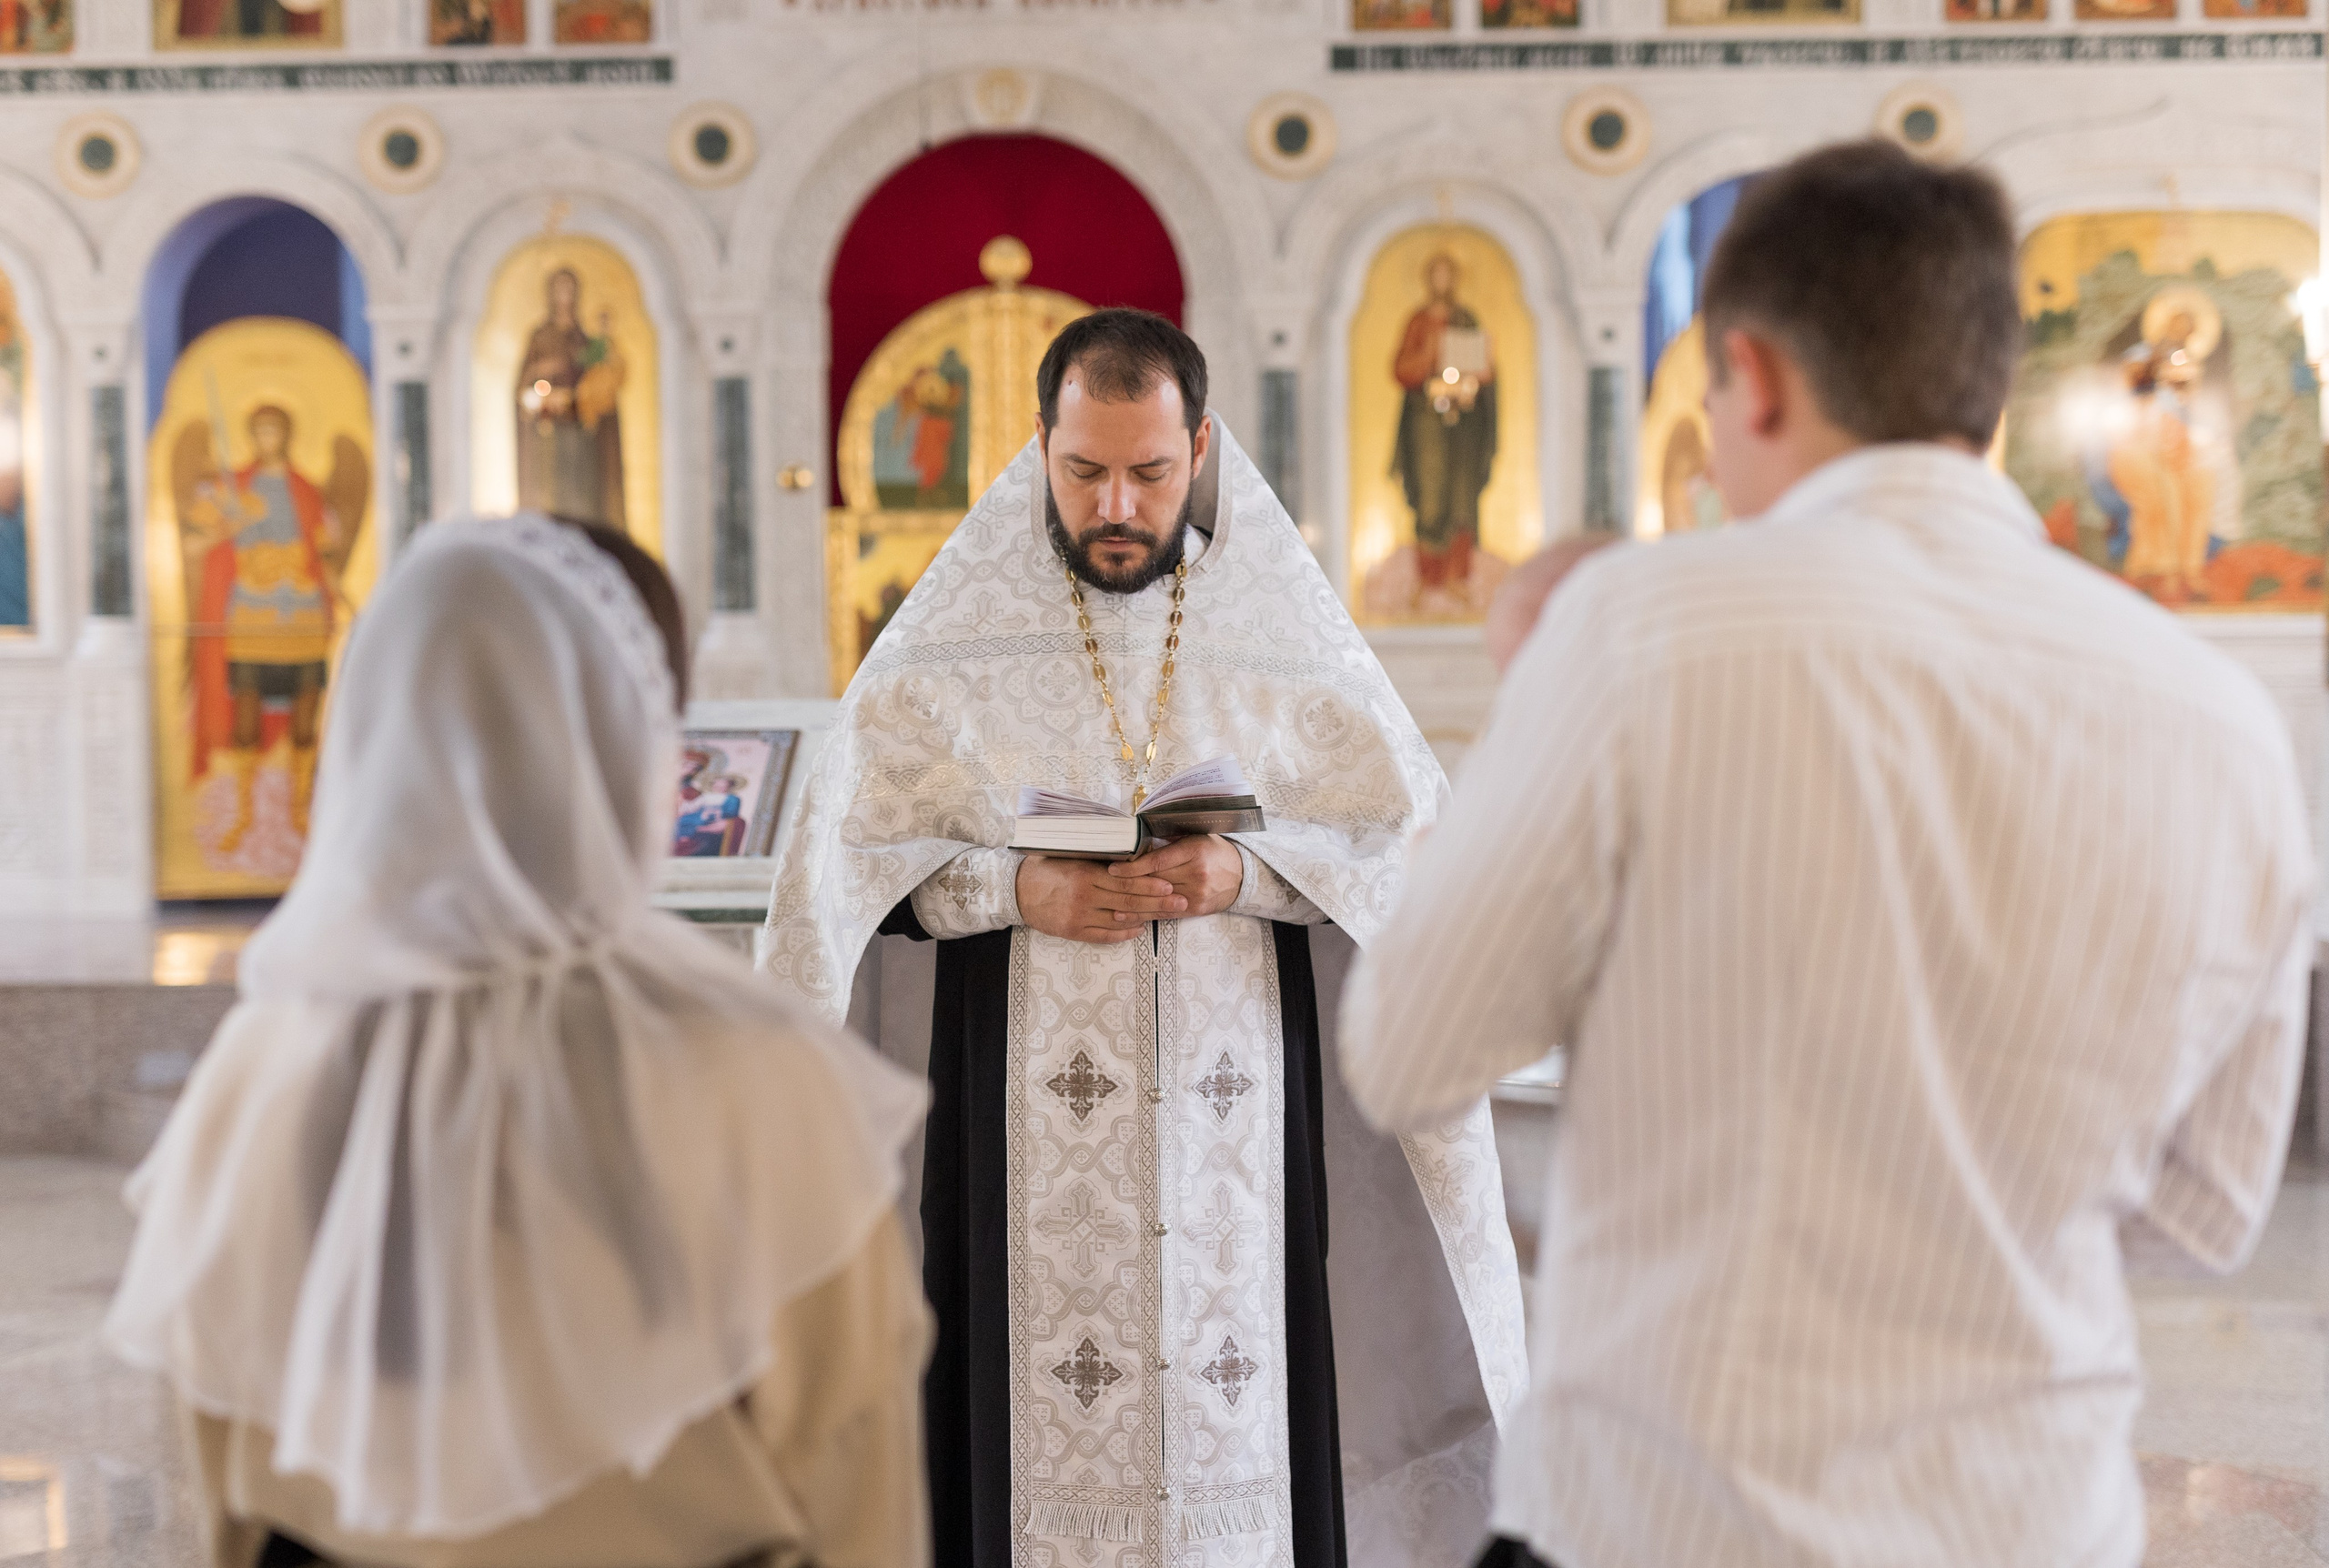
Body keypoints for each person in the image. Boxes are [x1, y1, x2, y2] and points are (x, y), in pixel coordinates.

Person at [1341, 140, 2314, 1568]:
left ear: (1756, 375)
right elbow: (2212, 1210)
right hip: (2031, 1521)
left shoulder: (1644, 629)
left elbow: (1409, 1050)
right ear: (1991, 386)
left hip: (1675, 1518)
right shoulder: (2219, 721)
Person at [763, 308, 1527, 1567]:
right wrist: (1019, 894)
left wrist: (1250, 869)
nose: (1116, 502)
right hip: (1010, 1136)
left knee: (1249, 1418)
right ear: (1041, 451)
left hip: (1243, 1135)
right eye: (1084, 471)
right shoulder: (950, 651)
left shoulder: (1286, 641)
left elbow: (1409, 856)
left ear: (1204, 451)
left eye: (1150, 472)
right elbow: (844, 878)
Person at [106, 513, 933, 1568]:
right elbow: (855, 1474)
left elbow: (225, 1485)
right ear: (630, 750)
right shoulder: (758, 1074)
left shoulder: (259, 1074)